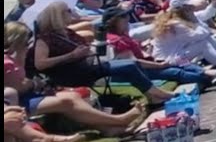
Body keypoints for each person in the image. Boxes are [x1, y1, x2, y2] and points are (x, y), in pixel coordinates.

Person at [5, 20, 152, 135]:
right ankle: (119, 120)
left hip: (29, 96)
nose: (29, 45)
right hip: (19, 102)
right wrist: (32, 83)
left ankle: (108, 128)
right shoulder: (8, 61)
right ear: (16, 40)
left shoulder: (16, 57)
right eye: (26, 41)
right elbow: (17, 88)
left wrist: (22, 61)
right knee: (68, 101)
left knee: (73, 96)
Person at [31, 2, 174, 106]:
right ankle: (155, 93)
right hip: (72, 74)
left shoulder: (66, 32)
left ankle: (152, 94)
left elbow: (82, 46)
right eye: (67, 11)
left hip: (88, 65)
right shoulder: (45, 38)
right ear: (57, 16)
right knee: (128, 66)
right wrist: (71, 56)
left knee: (132, 63)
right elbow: (40, 64)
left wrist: (87, 48)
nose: (71, 13)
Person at [100, 9, 216, 88]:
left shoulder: (122, 35)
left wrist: (147, 50)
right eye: (123, 17)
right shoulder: (116, 39)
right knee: (176, 72)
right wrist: (158, 65)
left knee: (185, 64)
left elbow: (137, 54)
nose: (127, 19)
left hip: (148, 63)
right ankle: (214, 78)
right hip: (140, 70)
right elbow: (133, 63)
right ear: (114, 21)